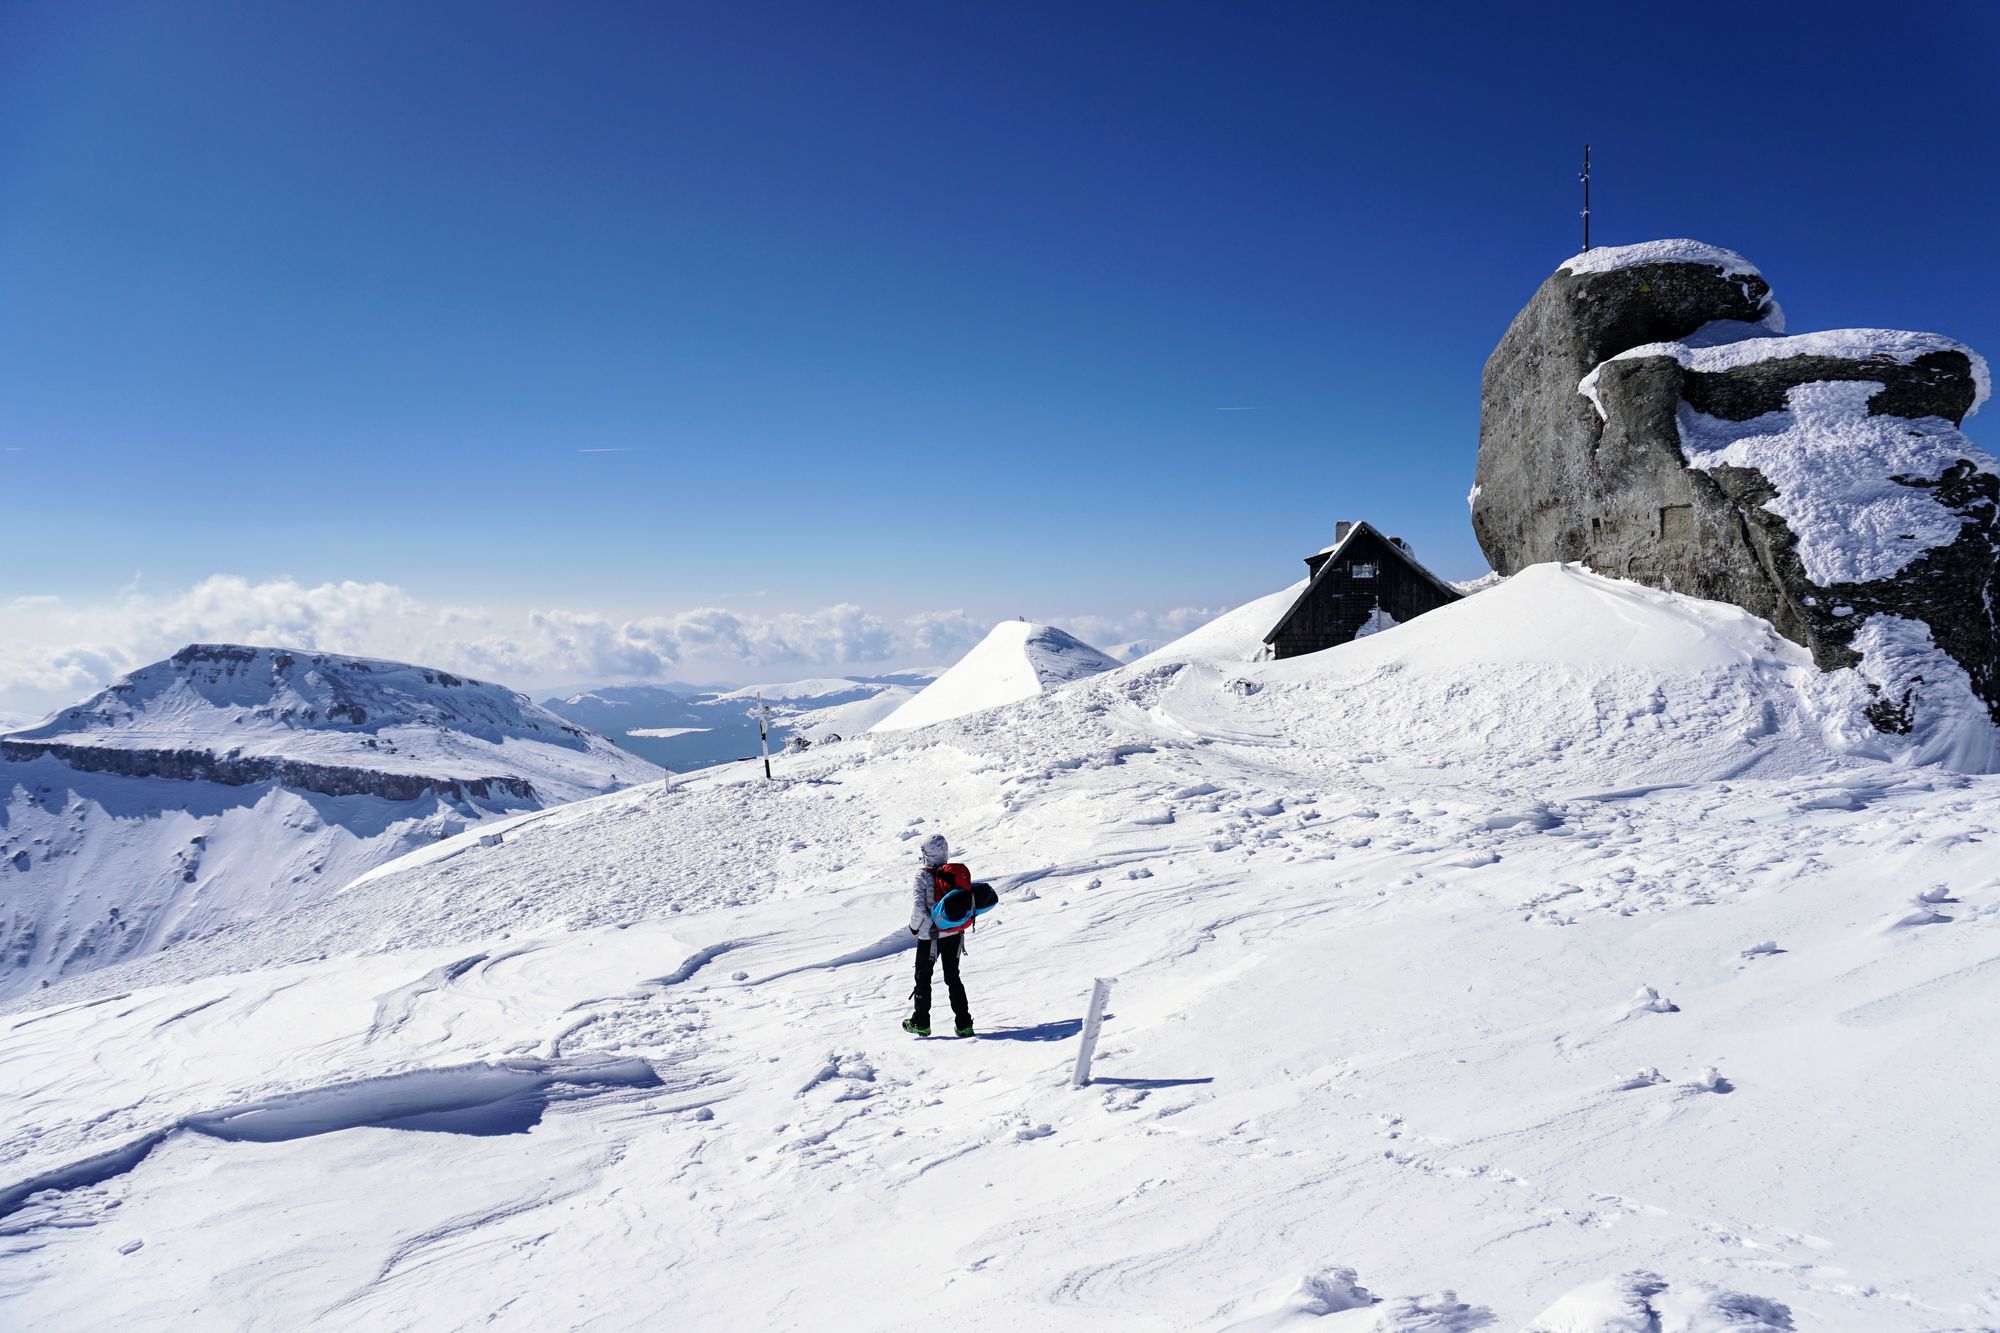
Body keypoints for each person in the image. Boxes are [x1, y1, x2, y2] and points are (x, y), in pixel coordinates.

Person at [904, 832, 975, 1037]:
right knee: (953, 978)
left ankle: (921, 1022)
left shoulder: (923, 875)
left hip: (930, 936)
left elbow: (919, 908)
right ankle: (964, 1024)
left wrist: (914, 928)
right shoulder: (954, 873)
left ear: (926, 853)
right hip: (954, 933)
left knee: (923, 978)